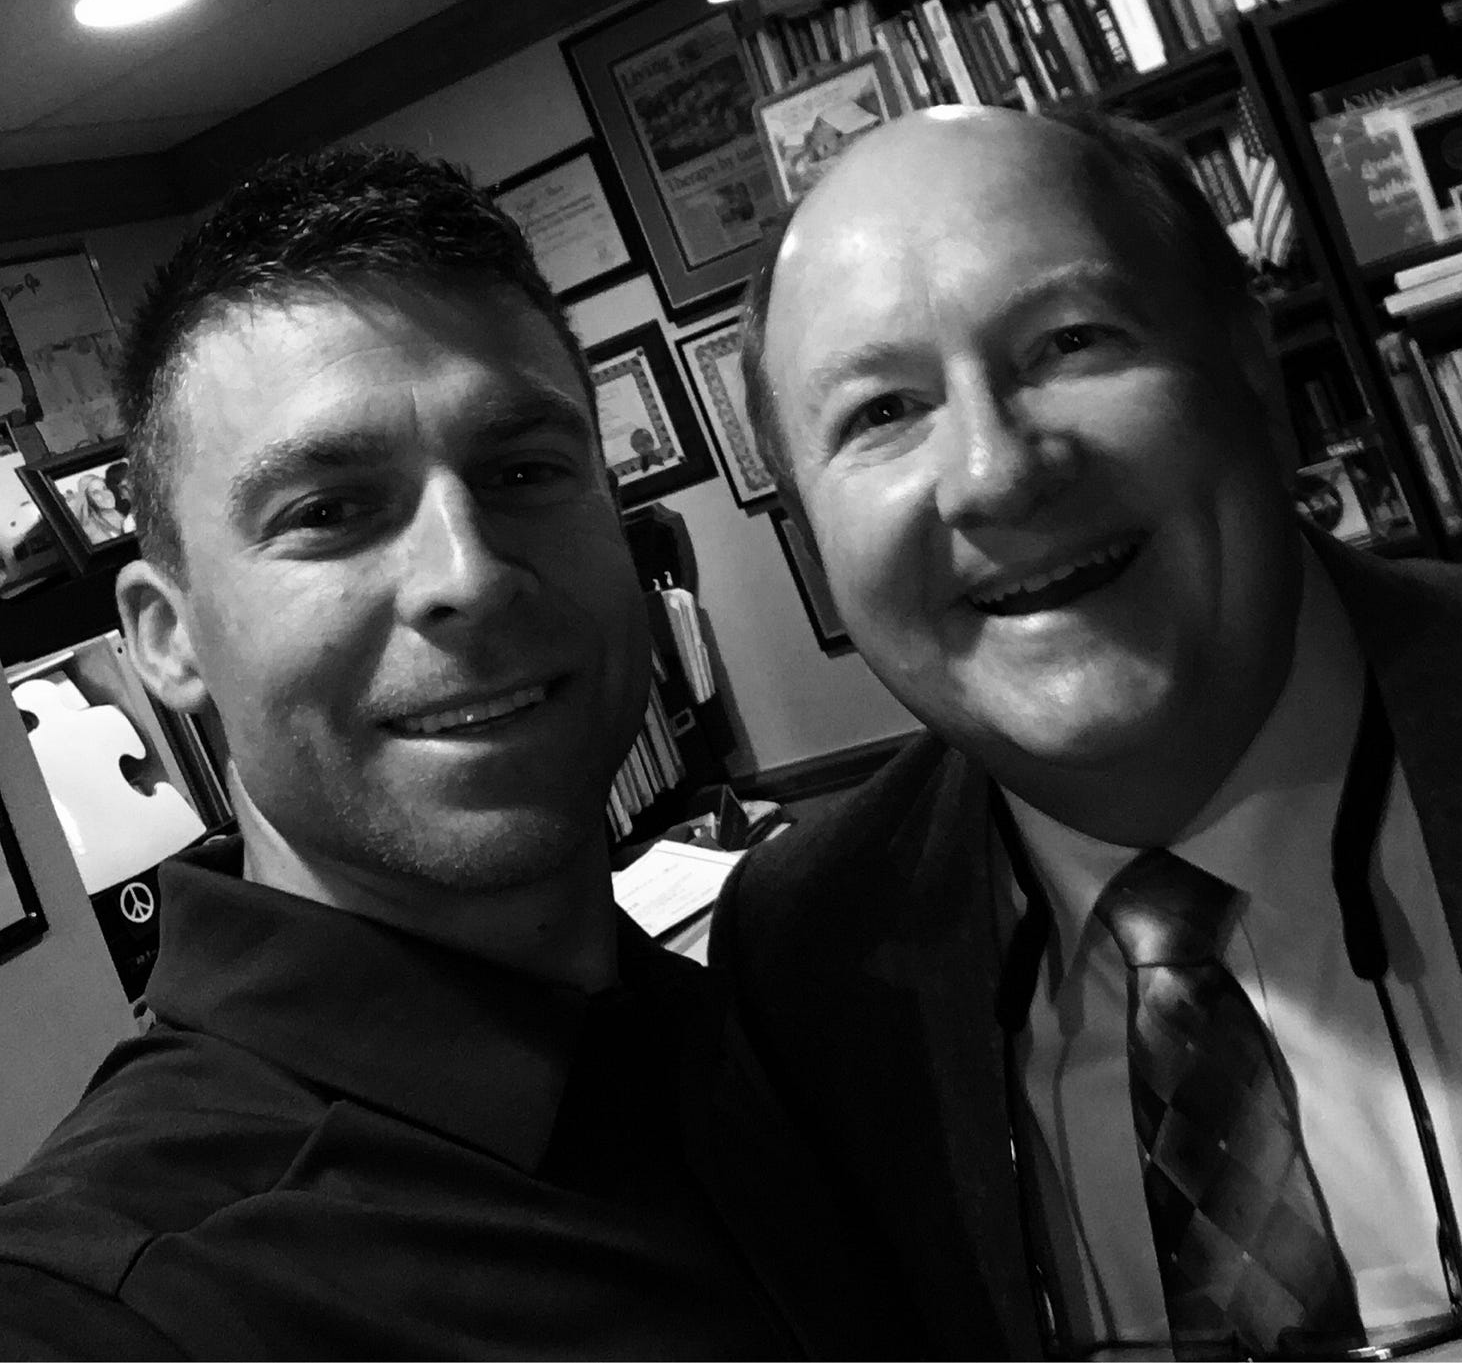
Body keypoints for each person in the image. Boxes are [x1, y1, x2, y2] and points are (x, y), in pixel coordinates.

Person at [0, 146, 919, 1361]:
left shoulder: (805, 1021)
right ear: (169, 641)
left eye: (525, 472)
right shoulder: (117, 1299)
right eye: (328, 511)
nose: (469, 574)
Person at [712, 105, 1462, 1361]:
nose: (995, 471)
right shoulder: (807, 959)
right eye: (881, 411)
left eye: (1070, 341)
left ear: (1251, 373)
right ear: (809, 537)